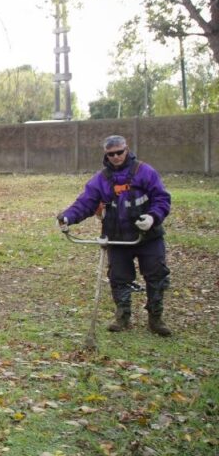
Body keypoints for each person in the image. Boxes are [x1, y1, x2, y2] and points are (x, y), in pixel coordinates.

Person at [57, 135, 173, 336]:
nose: (116, 157)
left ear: (127, 150)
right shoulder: (101, 179)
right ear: (106, 155)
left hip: (148, 236)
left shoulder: (145, 171)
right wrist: (68, 217)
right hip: (117, 236)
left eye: (120, 152)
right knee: (119, 278)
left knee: (156, 275)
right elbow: (85, 203)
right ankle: (122, 316)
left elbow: (161, 198)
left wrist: (153, 217)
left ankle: (156, 317)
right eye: (111, 154)